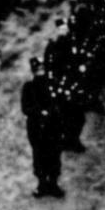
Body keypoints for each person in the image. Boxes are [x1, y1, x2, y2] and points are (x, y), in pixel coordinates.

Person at [21, 58, 64, 198]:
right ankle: (42, 185)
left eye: (42, 69)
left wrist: (53, 113)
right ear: (33, 72)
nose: (41, 72)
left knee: (54, 156)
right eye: (38, 70)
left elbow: (60, 103)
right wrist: (40, 112)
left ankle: (53, 184)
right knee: (39, 157)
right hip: (37, 128)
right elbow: (25, 108)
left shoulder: (53, 84)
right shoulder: (28, 88)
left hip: (53, 127)